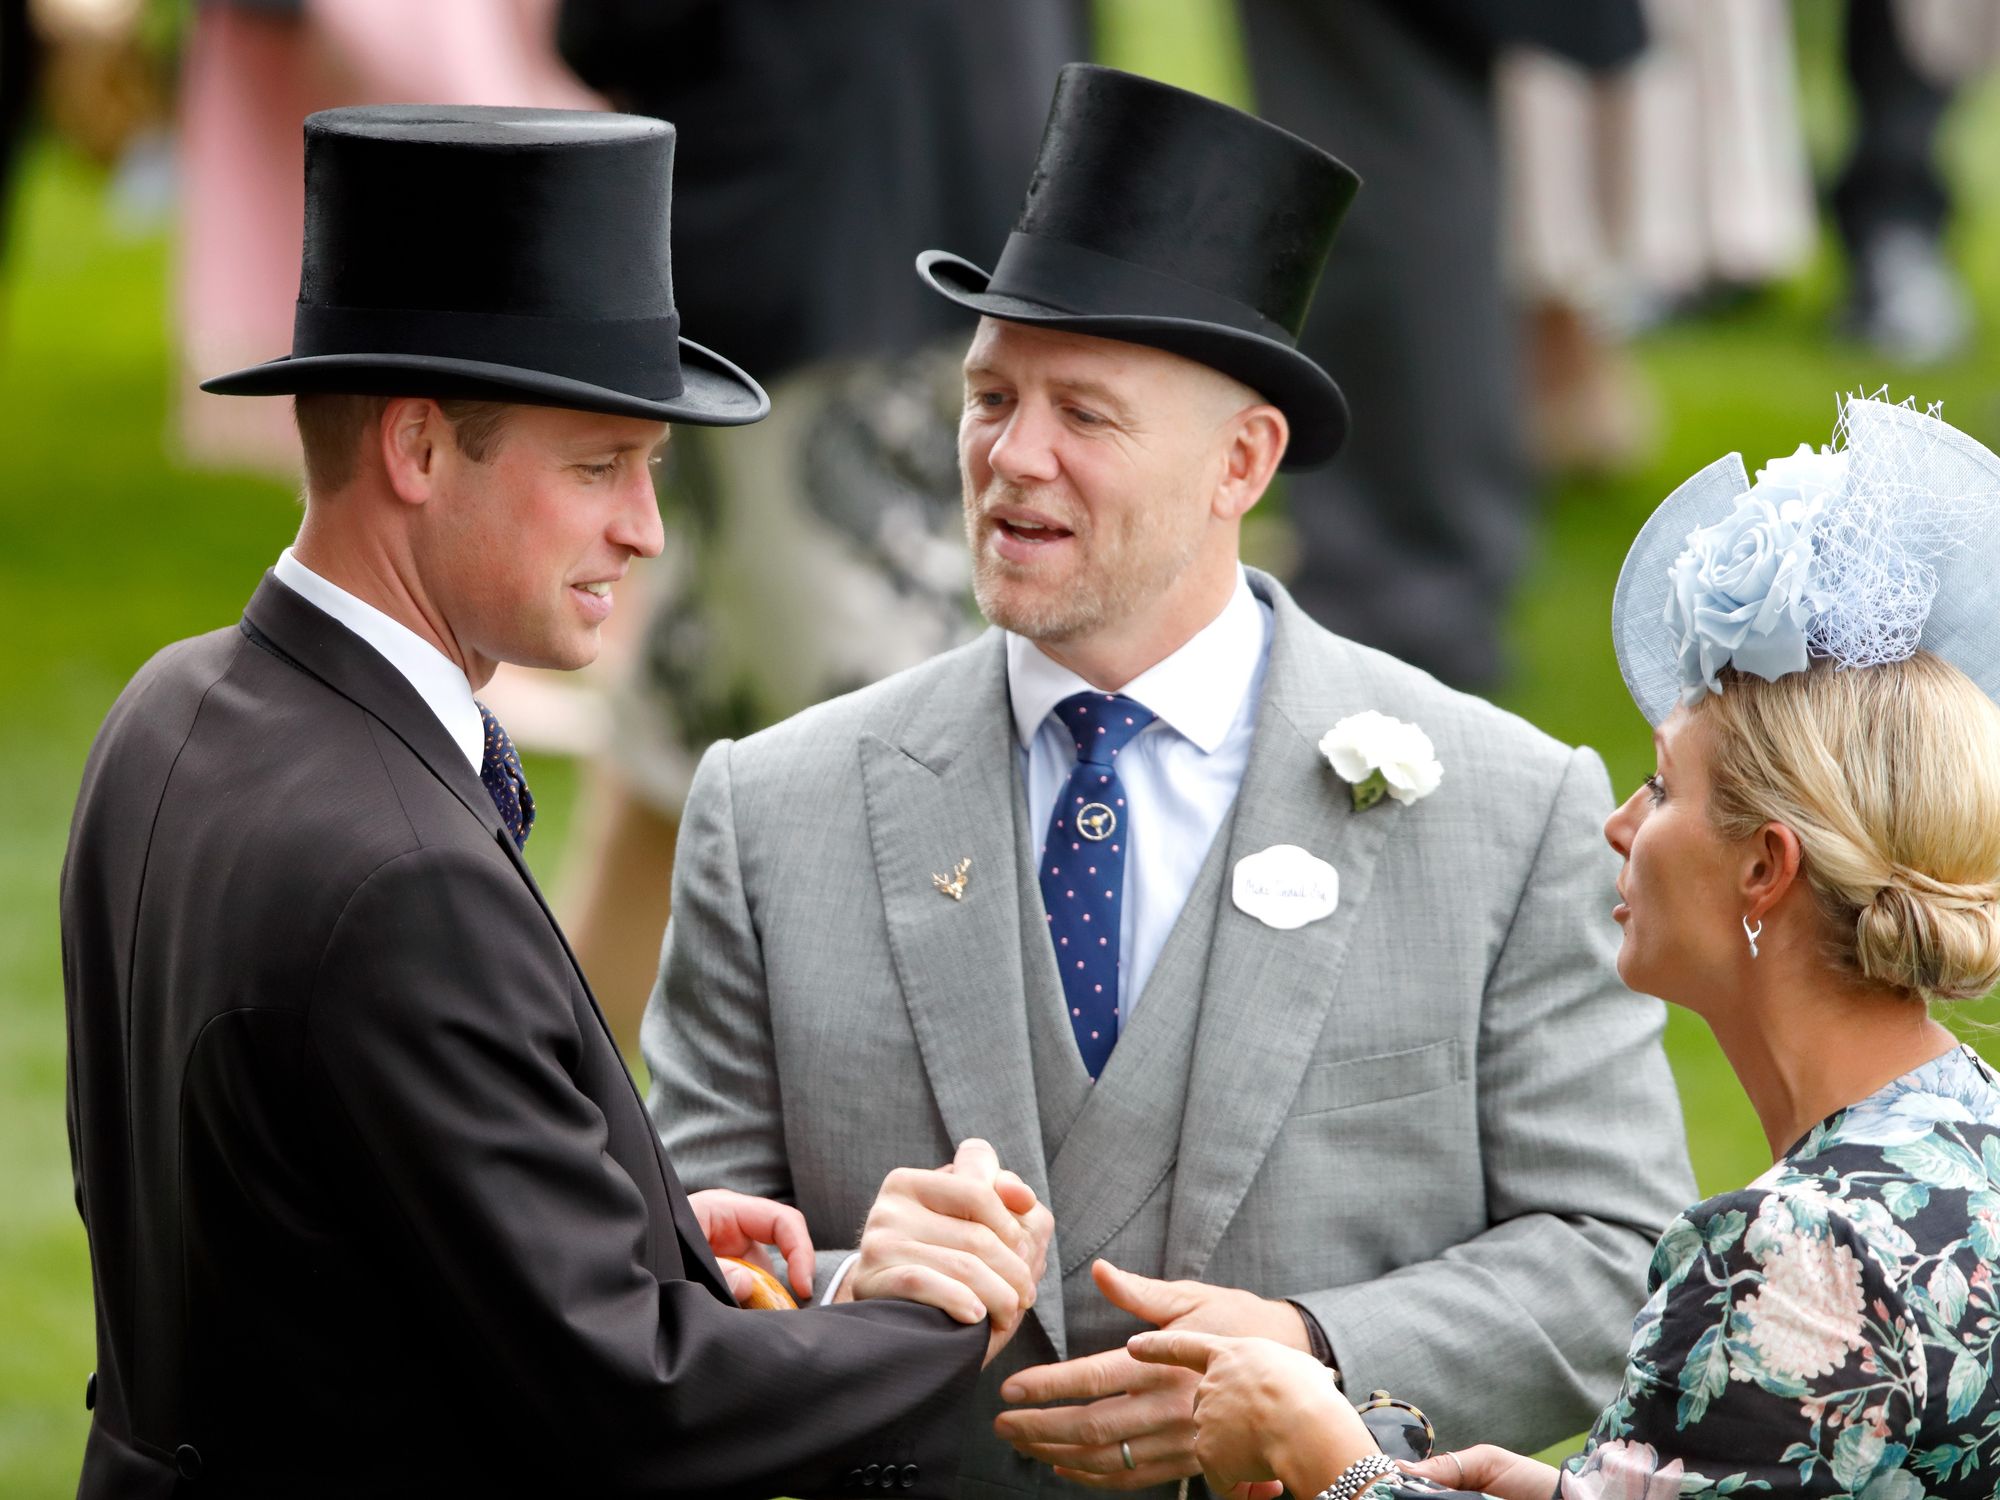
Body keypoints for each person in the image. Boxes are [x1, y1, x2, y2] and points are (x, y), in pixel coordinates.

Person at [645, 64, 1696, 1497]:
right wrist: (842, 1289)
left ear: (1241, 462)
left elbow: (1619, 1251)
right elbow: (673, 1267)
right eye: (989, 395)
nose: (1012, 457)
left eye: (1084, 413)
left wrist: (1314, 1350)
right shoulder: (769, 810)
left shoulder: (1506, 812)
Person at [60, 104, 1054, 1498]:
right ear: (417, 448)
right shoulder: (403, 878)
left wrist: (644, 1231)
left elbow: (284, 1202)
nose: (642, 529)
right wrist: (922, 1319)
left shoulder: (167, 714)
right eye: (597, 466)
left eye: (649, 470)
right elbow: (634, 1406)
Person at [1124, 395, 2000, 1500]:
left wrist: (1326, 1458)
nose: (1618, 825)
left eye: (1660, 786)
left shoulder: (1791, 1249)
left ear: (1763, 868)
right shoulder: (1969, 1136)